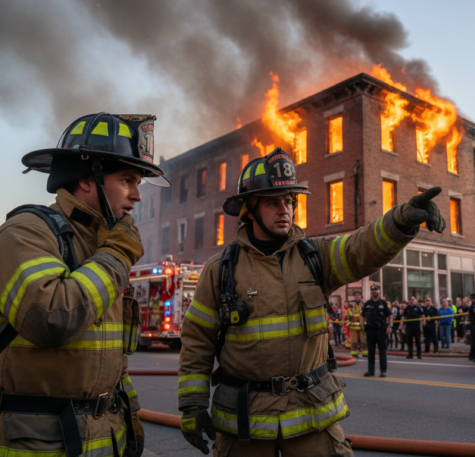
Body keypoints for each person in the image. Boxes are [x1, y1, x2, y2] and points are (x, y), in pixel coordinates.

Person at [178, 148, 445, 456]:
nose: (285, 209)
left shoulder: (315, 256)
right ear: (249, 210)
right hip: (244, 423)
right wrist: (193, 405)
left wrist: (400, 222)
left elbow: (361, 248)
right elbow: (197, 342)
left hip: (311, 415)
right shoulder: (221, 269)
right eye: (273, 202)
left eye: (289, 201)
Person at [0, 113, 168, 457]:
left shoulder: (98, 247)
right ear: (88, 179)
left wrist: (129, 429)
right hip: (26, 443)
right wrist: (118, 255)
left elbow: (111, 366)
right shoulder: (25, 235)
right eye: (128, 180)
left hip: (98, 440)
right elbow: (51, 318)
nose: (137, 196)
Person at [361, 284, 393, 377]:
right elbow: (362, 315)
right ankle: (371, 370)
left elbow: (390, 315)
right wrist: (362, 325)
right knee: (370, 351)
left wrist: (390, 326)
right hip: (370, 330)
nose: (374, 291)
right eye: (373, 290)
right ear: (371, 292)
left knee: (382, 351)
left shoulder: (383, 303)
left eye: (376, 290)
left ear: (379, 291)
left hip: (381, 330)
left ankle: (383, 371)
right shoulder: (367, 304)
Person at [347, 294, 366, 358]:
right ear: (354, 297)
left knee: (364, 340)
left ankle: (365, 353)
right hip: (354, 326)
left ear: (361, 297)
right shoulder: (351, 304)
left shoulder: (364, 304)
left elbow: (366, 313)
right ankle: (354, 353)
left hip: (362, 326)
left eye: (359, 295)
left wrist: (357, 317)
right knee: (354, 341)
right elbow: (348, 313)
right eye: (356, 295)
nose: (357, 296)